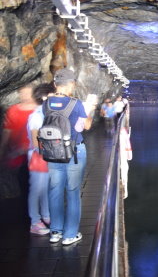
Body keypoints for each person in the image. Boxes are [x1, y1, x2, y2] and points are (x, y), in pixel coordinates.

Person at [45, 68, 93, 245]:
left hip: (53, 152)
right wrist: (89, 111)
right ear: (71, 84)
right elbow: (84, 127)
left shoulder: (46, 103)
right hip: (74, 152)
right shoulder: (75, 103)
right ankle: (70, 234)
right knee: (72, 192)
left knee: (54, 191)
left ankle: (55, 232)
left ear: (55, 83)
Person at [26, 83, 56, 235]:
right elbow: (35, 138)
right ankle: (35, 222)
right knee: (37, 189)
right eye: (52, 96)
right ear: (45, 97)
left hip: (47, 154)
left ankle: (46, 215)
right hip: (39, 156)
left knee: (46, 188)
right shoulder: (37, 116)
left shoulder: (47, 114)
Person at [0, 85, 37, 199]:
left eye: (27, 93)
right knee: (22, 187)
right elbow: (7, 132)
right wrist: (2, 151)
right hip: (16, 158)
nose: (24, 96)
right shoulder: (13, 110)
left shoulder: (39, 110)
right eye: (22, 93)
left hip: (34, 156)